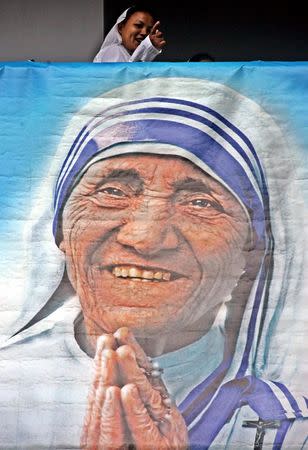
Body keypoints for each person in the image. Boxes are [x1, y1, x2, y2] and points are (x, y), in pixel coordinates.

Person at [0, 77, 307, 449]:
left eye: (200, 202)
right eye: (112, 192)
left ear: (250, 248)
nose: (145, 239)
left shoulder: (291, 425)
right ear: (61, 230)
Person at [93, 4, 166, 63]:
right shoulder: (113, 52)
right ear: (121, 28)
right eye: (138, 25)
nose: (144, 33)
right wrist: (147, 47)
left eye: (149, 29)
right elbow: (125, 79)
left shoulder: (128, 54)